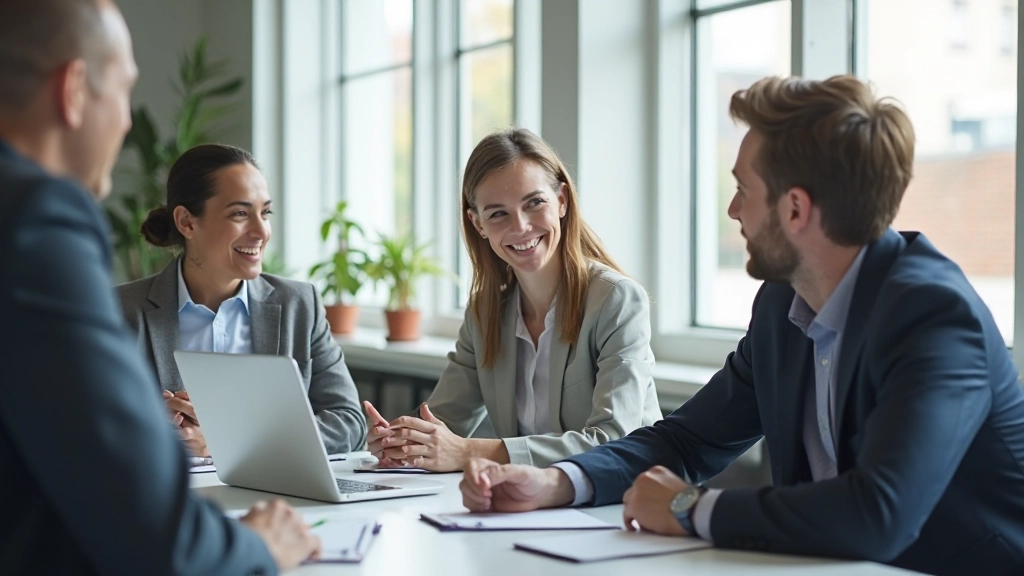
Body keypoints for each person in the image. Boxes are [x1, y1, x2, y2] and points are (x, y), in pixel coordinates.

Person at [458, 76, 1024, 576]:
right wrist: (556, 482)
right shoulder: (783, 303)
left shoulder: (933, 317)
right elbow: (688, 440)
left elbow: (878, 513)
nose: (733, 211)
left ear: (795, 209)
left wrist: (689, 508)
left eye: (743, 190)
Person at [0, 0, 319, 573]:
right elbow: (147, 525)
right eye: (123, 90)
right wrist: (261, 547)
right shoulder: (35, 218)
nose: (126, 122)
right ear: (73, 90)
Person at [362, 128, 662, 473]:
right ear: (478, 224)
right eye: (498, 214)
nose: (520, 226)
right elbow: (442, 424)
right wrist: (401, 441)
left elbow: (613, 440)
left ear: (562, 200)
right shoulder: (485, 312)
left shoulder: (616, 300)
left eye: (534, 203)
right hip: (528, 498)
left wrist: (469, 451)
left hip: (623, 496)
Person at [117, 143, 366, 457]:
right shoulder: (121, 311)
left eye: (265, 213)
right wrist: (150, 428)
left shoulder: (299, 305)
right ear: (187, 222)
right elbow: (85, 425)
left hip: (274, 487)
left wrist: (225, 441)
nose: (261, 231)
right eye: (240, 213)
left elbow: (349, 423)